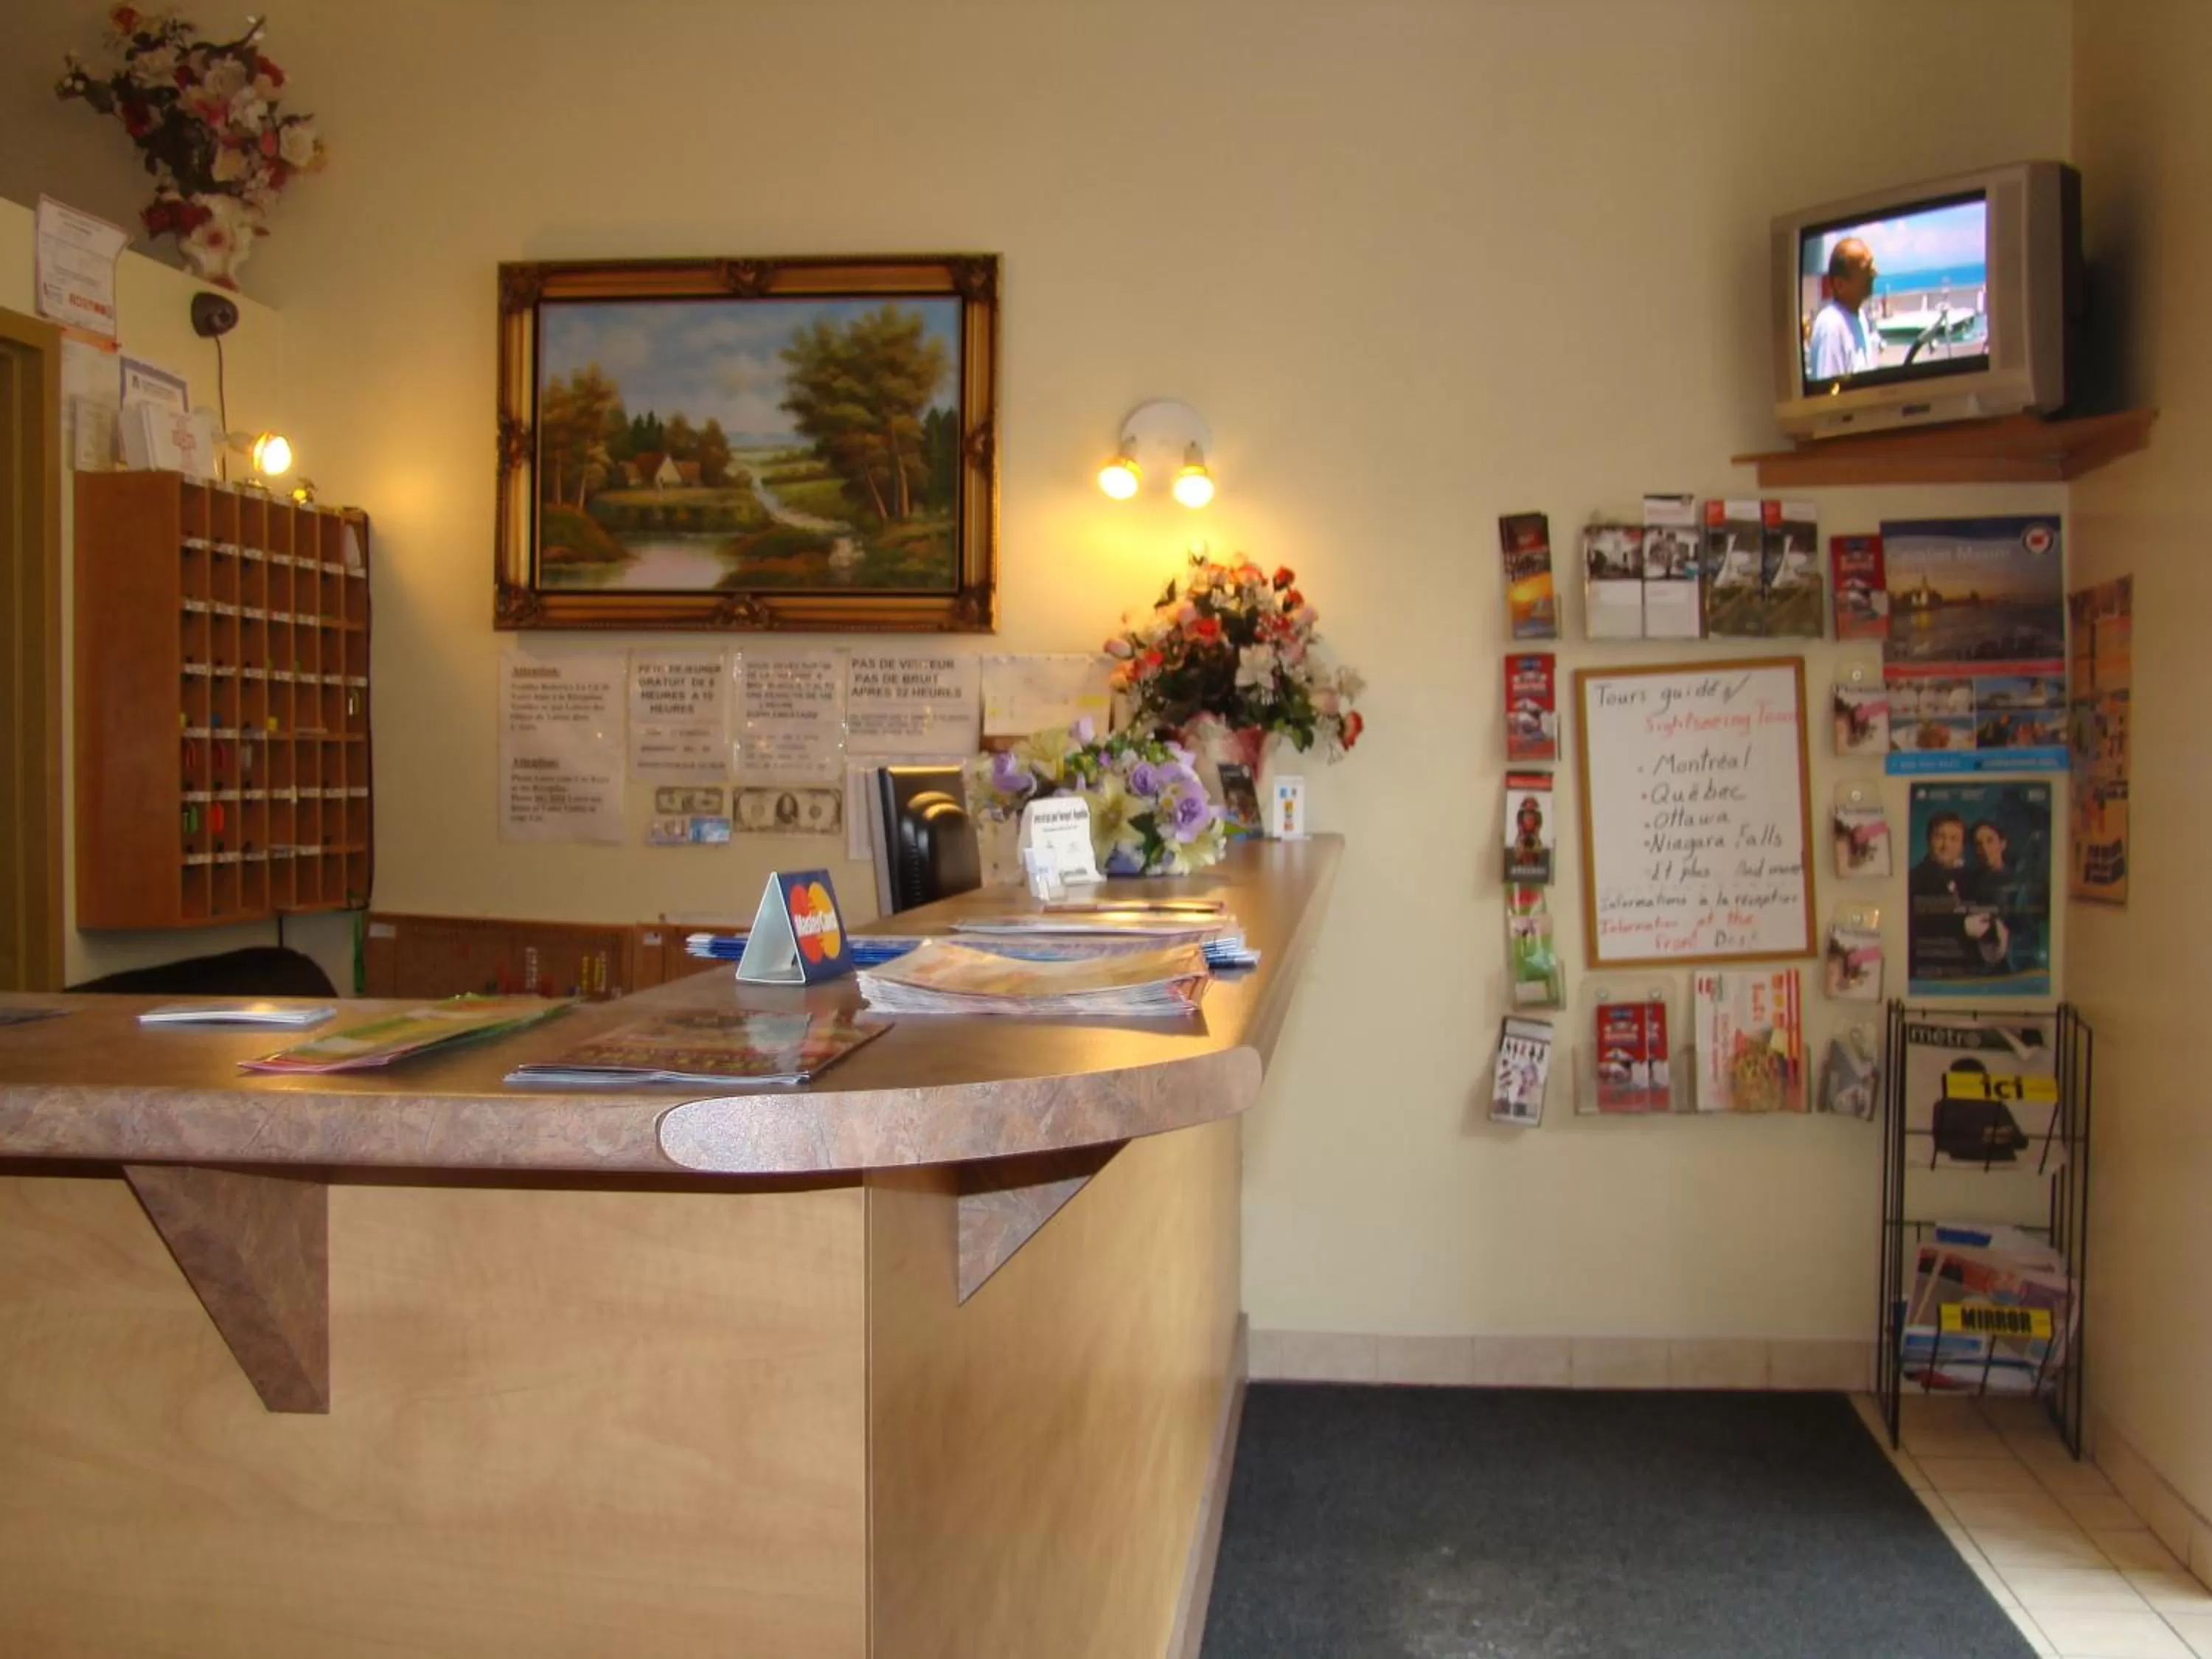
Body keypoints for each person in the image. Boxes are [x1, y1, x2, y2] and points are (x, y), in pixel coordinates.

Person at [1808, 237, 1878, 381]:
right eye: (1866, 268)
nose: (1875, 273)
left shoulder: (1859, 317)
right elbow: (1829, 397)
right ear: (1840, 285)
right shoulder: (1832, 326)